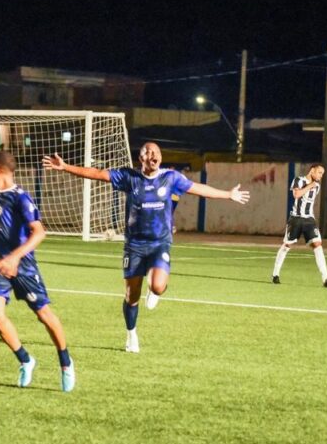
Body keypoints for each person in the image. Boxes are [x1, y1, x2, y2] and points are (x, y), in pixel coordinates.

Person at [43, 141, 250, 353]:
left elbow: (199, 189)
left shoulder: (171, 178)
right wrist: (65, 167)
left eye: (156, 152)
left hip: (160, 243)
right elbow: (97, 174)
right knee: (131, 296)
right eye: (148, 152)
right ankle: (131, 334)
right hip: (134, 246)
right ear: (141, 158)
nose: (153, 155)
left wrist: (228, 194)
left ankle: (156, 291)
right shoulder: (129, 177)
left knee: (157, 286)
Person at [0, 150, 75, 391]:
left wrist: (14, 258)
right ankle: (26, 360)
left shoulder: (21, 198)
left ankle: (66, 362)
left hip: (23, 266)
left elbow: (40, 232)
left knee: (43, 314)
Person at [272, 164, 327, 288]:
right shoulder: (299, 180)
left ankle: (326, 278)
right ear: (312, 170)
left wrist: (312, 185)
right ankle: (275, 274)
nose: (321, 176)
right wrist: (309, 186)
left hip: (309, 219)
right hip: (296, 219)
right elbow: (296, 195)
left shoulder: (317, 186)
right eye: (319, 172)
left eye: (322, 174)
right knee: (287, 245)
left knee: (317, 244)